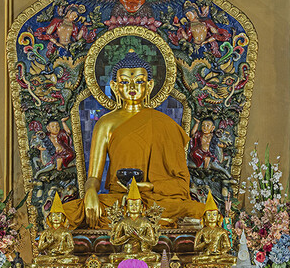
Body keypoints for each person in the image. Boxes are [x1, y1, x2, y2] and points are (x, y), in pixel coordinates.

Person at [62, 49, 204, 228]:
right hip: (119, 201)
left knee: (201, 212)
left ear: (149, 86)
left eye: (139, 81)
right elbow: (94, 177)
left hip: (158, 201)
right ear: (114, 86)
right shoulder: (105, 124)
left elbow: (181, 182)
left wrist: (149, 186)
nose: (131, 87)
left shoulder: (164, 124)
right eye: (124, 82)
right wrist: (90, 191)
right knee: (64, 214)